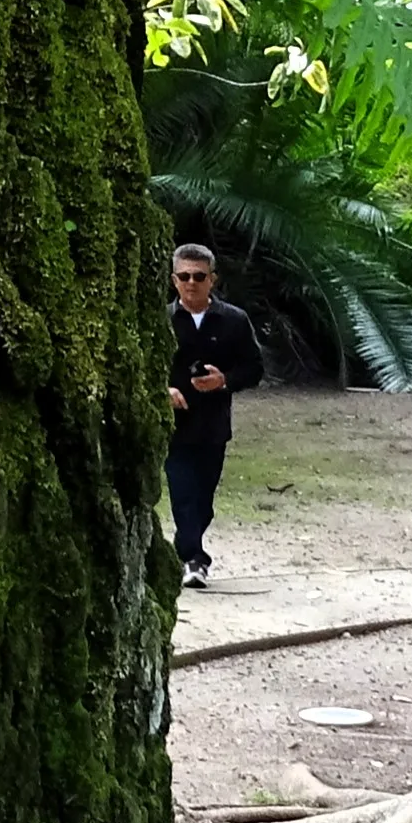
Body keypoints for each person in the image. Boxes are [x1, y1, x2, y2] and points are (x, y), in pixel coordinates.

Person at [165, 242, 263, 589]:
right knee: (181, 492)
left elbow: (254, 367)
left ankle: (185, 551)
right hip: (173, 426)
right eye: (184, 276)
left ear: (212, 279)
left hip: (213, 425)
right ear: (174, 280)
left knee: (203, 500)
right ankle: (194, 559)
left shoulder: (234, 321)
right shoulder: (161, 321)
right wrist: (164, 391)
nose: (191, 282)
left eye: (199, 276)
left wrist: (224, 381)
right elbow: (139, 366)